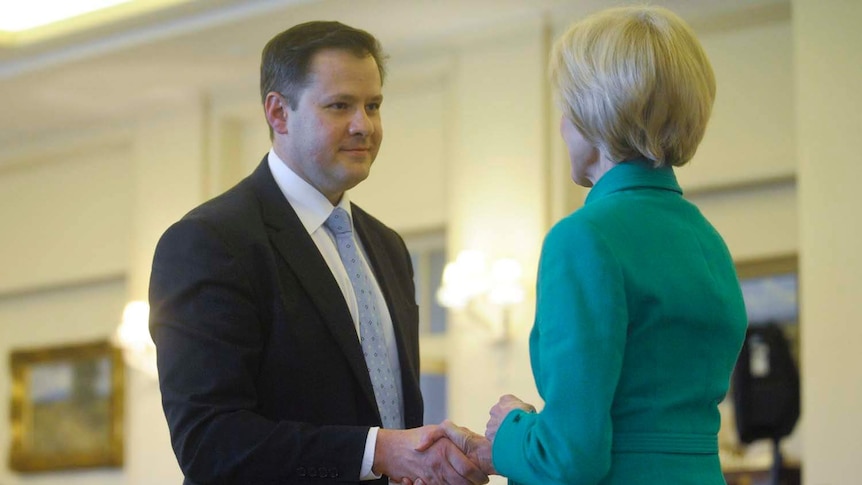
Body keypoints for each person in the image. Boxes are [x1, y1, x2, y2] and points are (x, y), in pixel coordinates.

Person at [148, 21, 488, 485]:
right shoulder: (210, 241)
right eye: (339, 106)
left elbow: (385, 416)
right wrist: (378, 452)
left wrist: (430, 454)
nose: (363, 125)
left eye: (373, 105)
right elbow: (210, 443)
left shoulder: (387, 246)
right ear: (278, 113)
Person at [420, 5, 748, 485]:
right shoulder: (707, 239)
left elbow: (570, 460)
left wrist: (510, 428)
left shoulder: (584, 238)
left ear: (596, 114)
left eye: (566, 108)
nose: (561, 125)